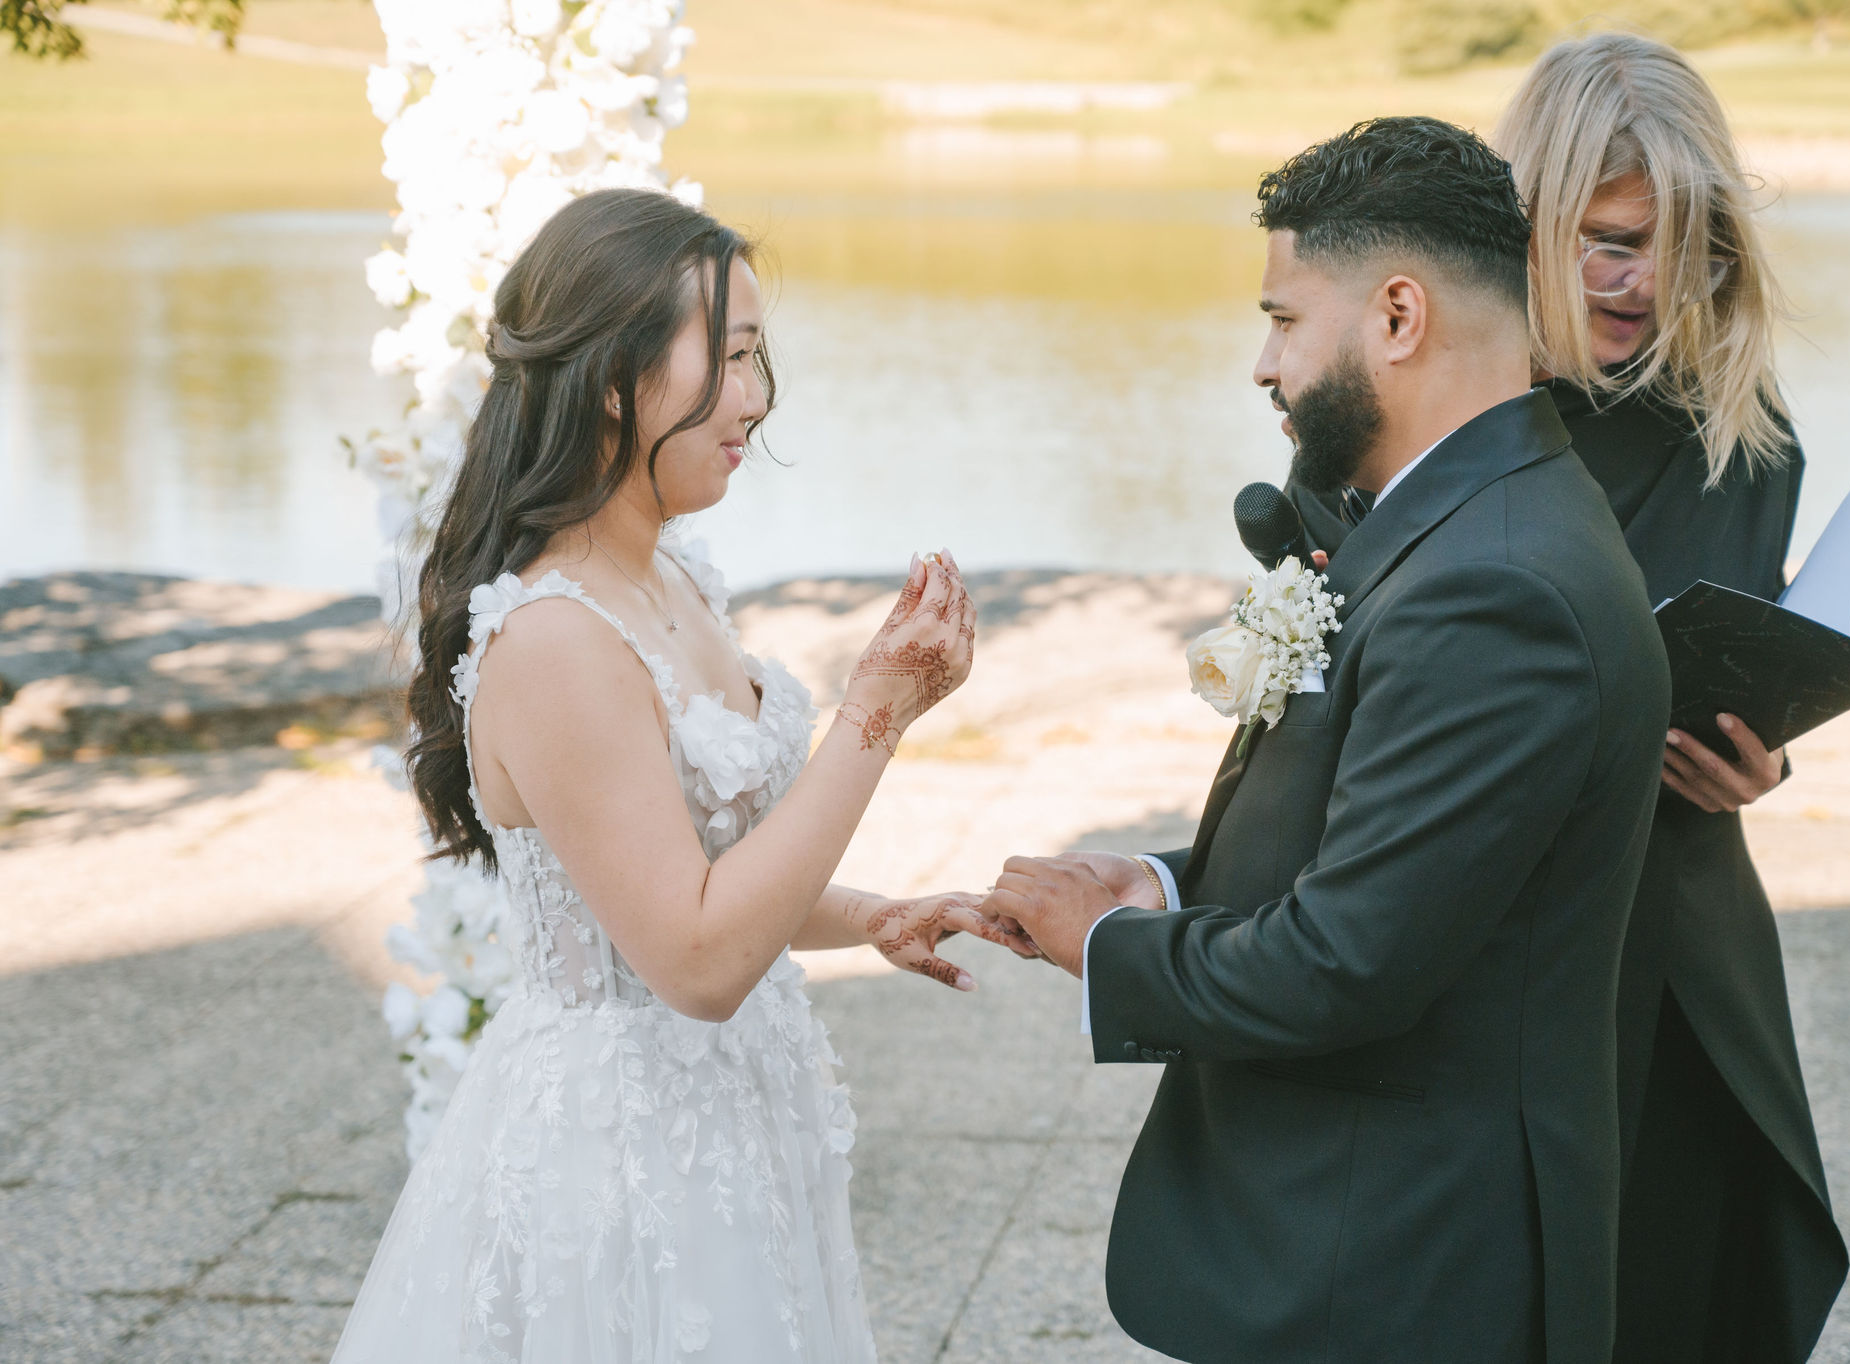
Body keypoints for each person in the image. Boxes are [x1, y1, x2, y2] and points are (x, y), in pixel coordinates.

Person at [983, 117, 1671, 1363]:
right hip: (1366, 1241)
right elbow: (1384, 854)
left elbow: (1347, 959)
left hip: (1398, 1261)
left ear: (1397, 314)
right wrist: (1157, 883)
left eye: (1284, 319)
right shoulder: (1463, 521)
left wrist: (1107, 944)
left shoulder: (1496, 584)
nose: (1263, 364)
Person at [331, 188, 993, 1364]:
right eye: (729, 357)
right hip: (626, 1154)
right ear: (611, 378)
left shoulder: (670, 571)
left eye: (756, 356)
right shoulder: (556, 640)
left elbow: (700, 872)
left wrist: (870, 915)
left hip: (735, 1119)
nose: (755, 396)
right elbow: (692, 959)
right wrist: (873, 715)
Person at [1493, 34, 1850, 1363]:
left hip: (1676, 933)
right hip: (1488, 926)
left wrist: (1764, 757)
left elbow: (1735, 651)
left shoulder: (1746, 436)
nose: (1639, 279)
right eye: (1606, 240)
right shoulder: (1432, 409)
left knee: (1678, 1299)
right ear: (1530, 218)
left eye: (1677, 244)